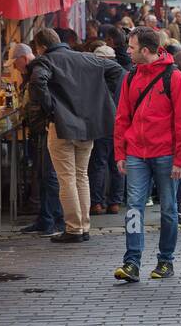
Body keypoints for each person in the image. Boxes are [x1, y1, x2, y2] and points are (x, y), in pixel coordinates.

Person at [112, 27, 181, 283]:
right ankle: (131, 262)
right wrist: (120, 152)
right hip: (137, 151)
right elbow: (122, 116)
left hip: (166, 154)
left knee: (169, 209)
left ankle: (165, 260)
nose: (127, 51)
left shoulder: (175, 77)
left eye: (132, 47)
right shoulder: (130, 77)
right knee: (134, 208)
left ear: (145, 51)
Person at [28, 28, 122, 244]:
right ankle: (83, 225)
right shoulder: (86, 58)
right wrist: (98, 97)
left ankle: (74, 228)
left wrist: (51, 107)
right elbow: (116, 69)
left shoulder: (45, 61)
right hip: (86, 124)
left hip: (61, 125)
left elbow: (37, 82)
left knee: (67, 177)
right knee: (81, 175)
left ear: (41, 47)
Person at [12, 44, 64, 236]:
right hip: (39, 129)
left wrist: (48, 113)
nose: (15, 68)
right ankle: (45, 218)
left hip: (44, 128)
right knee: (43, 176)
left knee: (49, 176)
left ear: (24, 59)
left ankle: (54, 220)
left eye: (15, 63)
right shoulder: (33, 72)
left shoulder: (38, 71)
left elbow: (42, 92)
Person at [88, 44, 126, 216]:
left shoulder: (95, 77)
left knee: (98, 164)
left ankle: (96, 202)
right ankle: (115, 202)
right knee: (117, 163)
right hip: (120, 123)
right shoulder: (124, 75)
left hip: (102, 124)